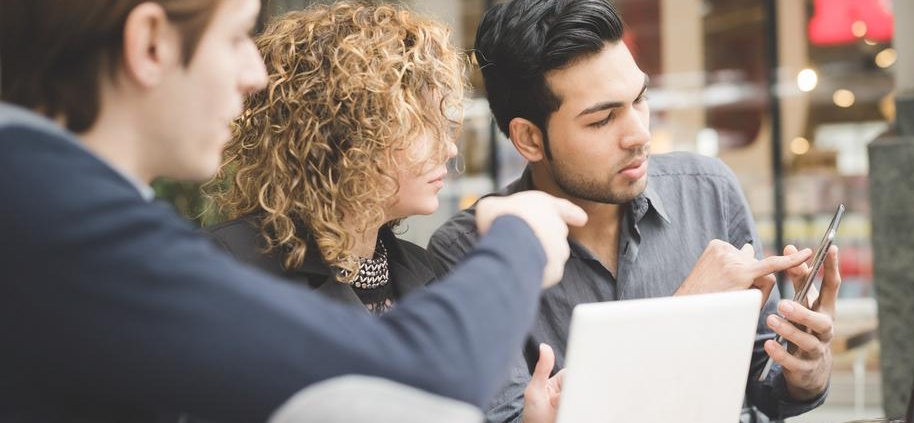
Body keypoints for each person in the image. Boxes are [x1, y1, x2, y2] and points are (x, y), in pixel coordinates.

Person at [0, 0, 587, 422]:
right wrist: (519, 237)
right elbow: (424, 371)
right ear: (150, 41)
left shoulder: (44, 200)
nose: (254, 75)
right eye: (234, 37)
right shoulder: (58, 219)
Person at [428, 0, 842, 422]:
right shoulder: (467, 253)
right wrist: (683, 313)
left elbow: (761, 384)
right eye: (603, 120)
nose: (640, 134)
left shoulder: (707, 191)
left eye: (640, 98)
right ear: (530, 139)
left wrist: (805, 373)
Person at [203, 2, 463, 315]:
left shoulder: (427, 272)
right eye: (423, 126)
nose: (450, 149)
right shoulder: (226, 267)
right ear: (346, 131)